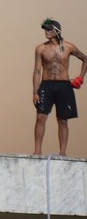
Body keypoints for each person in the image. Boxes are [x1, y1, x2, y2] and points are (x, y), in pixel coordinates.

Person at [33, 18, 87, 156]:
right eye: (45, 29)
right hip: (46, 85)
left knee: (62, 119)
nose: (46, 32)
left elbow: (85, 58)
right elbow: (37, 71)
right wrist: (35, 91)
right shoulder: (41, 48)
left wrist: (80, 77)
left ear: (57, 31)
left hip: (64, 85)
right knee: (40, 117)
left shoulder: (69, 47)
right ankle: (37, 150)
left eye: (49, 29)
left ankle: (63, 152)